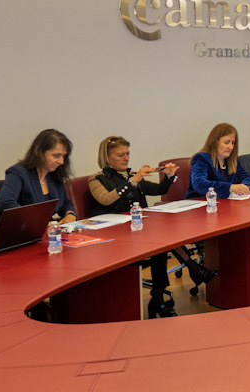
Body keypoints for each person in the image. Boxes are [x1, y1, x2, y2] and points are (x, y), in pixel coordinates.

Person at [89, 136, 217, 318]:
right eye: (120, 155)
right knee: (160, 241)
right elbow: (106, 199)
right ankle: (189, 273)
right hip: (114, 236)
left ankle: (159, 297)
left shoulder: (130, 175)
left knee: (161, 242)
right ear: (107, 158)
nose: (126, 158)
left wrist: (170, 175)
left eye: (127, 154)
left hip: (138, 230)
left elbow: (160, 190)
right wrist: (134, 181)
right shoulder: (97, 179)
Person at [0, 129, 77, 223]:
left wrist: (70, 214)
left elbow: (66, 203)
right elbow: (6, 204)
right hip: (25, 231)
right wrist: (36, 221)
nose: (61, 161)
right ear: (38, 151)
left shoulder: (54, 175)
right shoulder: (18, 172)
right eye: (56, 156)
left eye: (63, 156)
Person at [187, 123, 250, 199]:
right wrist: (231, 187)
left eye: (233, 143)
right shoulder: (201, 158)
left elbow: (248, 178)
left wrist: (245, 187)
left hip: (225, 203)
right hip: (201, 204)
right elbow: (199, 184)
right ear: (214, 141)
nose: (231, 147)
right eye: (226, 143)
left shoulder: (231, 161)